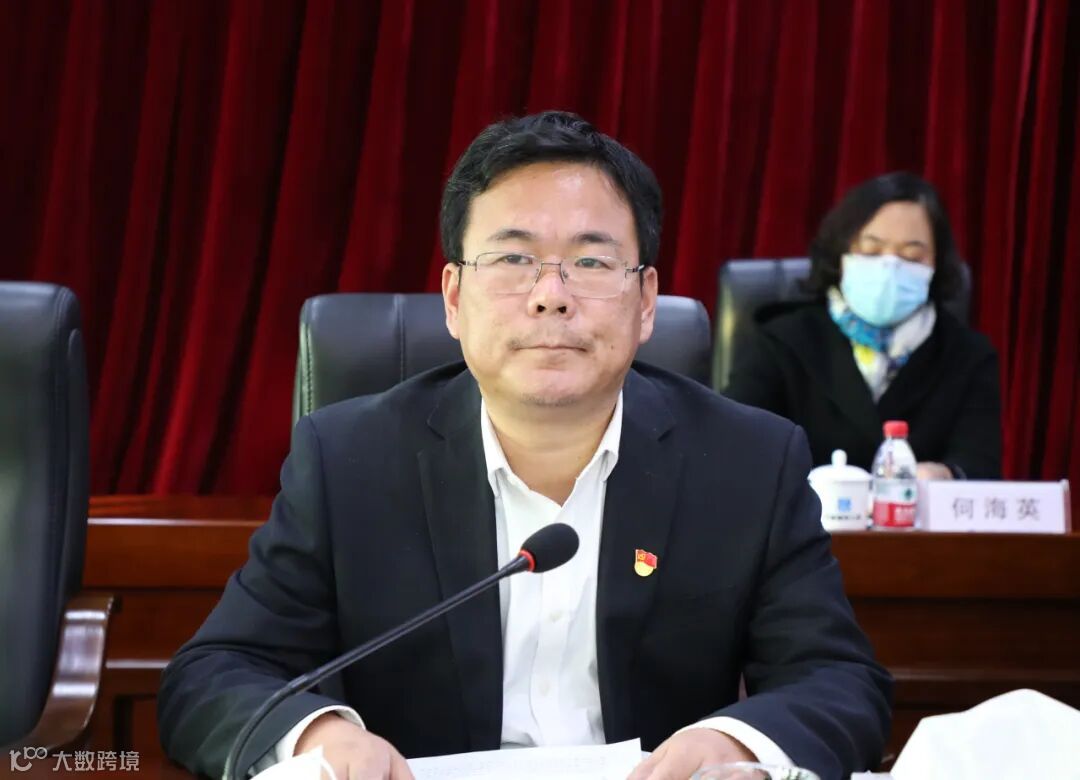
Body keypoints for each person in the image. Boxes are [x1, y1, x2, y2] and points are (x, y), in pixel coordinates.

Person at [158, 111, 891, 780]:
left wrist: (737, 745)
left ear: (645, 303)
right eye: (513, 260)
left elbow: (839, 679)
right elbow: (215, 675)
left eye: (591, 262)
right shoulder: (349, 459)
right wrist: (321, 738)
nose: (551, 294)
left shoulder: (748, 462)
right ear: (453, 299)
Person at [724, 172, 1002, 480]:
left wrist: (946, 475)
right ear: (841, 255)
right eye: (871, 251)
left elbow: (980, 467)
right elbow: (733, 445)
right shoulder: (782, 340)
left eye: (912, 256)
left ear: (936, 265)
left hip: (918, 510)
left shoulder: (968, 356)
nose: (890, 267)